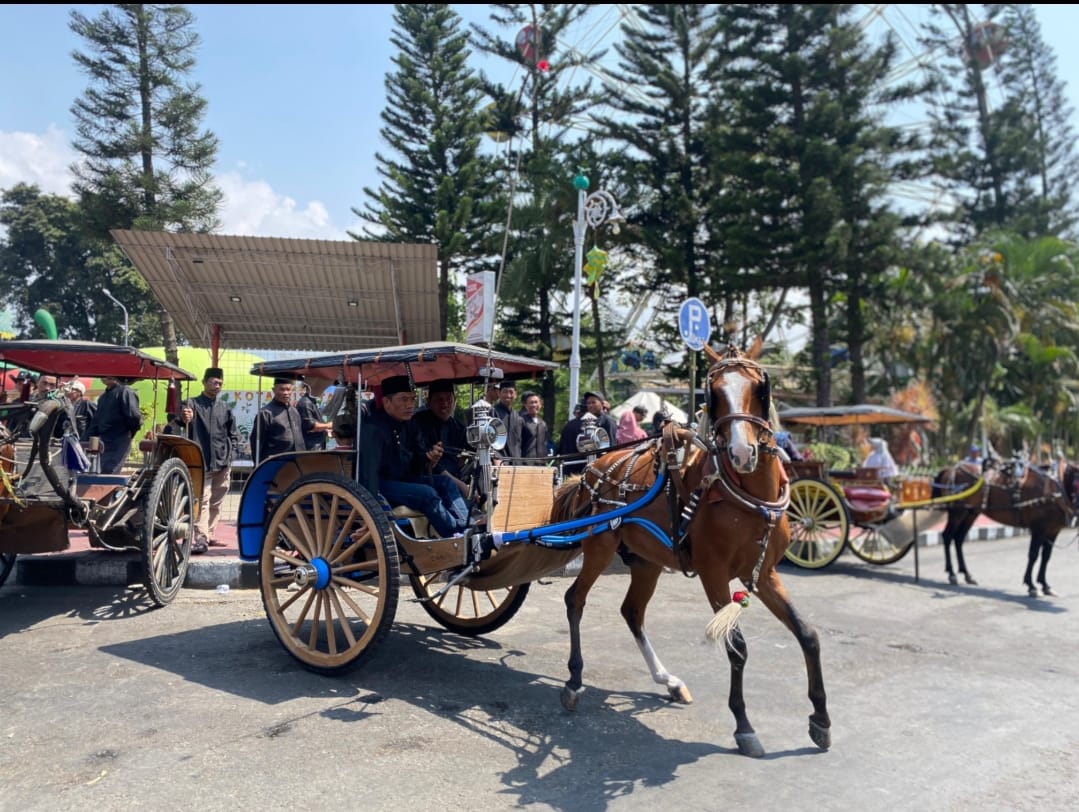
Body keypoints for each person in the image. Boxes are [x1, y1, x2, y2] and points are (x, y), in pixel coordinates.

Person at [358, 375, 469, 537]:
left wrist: (429, 458)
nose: (410, 405)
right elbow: (369, 474)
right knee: (426, 493)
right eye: (403, 400)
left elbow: (416, 463)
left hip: (403, 480)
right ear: (387, 402)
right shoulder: (373, 428)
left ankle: (466, 526)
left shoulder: (410, 425)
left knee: (445, 482)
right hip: (380, 485)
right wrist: (370, 511)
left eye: (412, 399)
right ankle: (456, 536)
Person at [176, 367, 241, 555]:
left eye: (219, 383)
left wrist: (231, 455)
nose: (216, 385)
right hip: (199, 461)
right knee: (202, 500)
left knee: (216, 501)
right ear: (204, 383)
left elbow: (233, 434)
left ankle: (210, 533)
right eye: (213, 382)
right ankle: (201, 537)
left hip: (222, 461)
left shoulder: (225, 408)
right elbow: (178, 419)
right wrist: (183, 416)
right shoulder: (191, 404)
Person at [412, 379, 470, 494]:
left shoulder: (459, 427)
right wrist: (461, 485)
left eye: (449, 399)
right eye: (439, 399)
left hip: (456, 475)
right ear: (428, 402)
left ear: (455, 401)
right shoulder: (418, 423)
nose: (445, 404)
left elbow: (469, 449)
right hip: (430, 478)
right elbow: (431, 464)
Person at [88, 375, 142, 473]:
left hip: (119, 438)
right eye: (103, 375)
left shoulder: (125, 391)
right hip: (103, 440)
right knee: (100, 471)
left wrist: (130, 432)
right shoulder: (103, 397)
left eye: (109, 375)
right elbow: (95, 422)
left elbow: (134, 416)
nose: (106, 377)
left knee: (110, 471)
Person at [558, 390, 619, 474]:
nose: (590, 405)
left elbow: (611, 446)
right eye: (588, 403)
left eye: (594, 402)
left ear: (602, 403)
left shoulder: (607, 421)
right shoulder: (586, 421)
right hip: (585, 465)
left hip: (601, 467)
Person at [250, 377, 304, 461]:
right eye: (282, 389)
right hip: (276, 462)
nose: (285, 393)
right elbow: (256, 443)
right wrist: (258, 464)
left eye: (288, 389)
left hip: (297, 461)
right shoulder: (265, 413)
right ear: (274, 390)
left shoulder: (295, 412)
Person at [296, 380, 333, 451]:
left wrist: (326, 430)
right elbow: (311, 426)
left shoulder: (311, 402)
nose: (323, 391)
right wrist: (329, 425)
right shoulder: (305, 403)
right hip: (311, 448)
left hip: (317, 445)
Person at [493, 380, 524, 461]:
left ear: (516, 394)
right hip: (500, 461)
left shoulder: (518, 417)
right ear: (499, 393)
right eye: (505, 392)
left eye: (511, 392)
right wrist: (496, 458)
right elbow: (490, 439)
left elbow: (520, 441)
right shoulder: (493, 412)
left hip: (516, 461)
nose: (508, 395)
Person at [518, 390, 549, 463]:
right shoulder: (521, 421)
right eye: (531, 403)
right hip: (526, 462)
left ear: (541, 405)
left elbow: (545, 442)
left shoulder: (543, 423)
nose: (534, 405)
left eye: (536, 402)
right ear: (525, 405)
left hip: (541, 462)